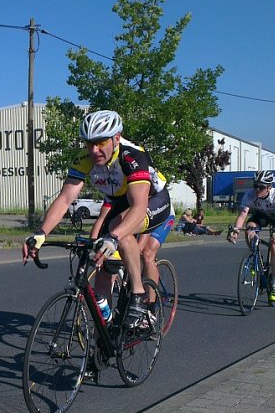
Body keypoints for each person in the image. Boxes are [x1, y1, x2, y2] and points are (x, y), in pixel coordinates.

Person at [23, 110, 172, 328]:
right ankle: (106, 334)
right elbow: (65, 199)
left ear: (116, 138)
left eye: (100, 143)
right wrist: (41, 233)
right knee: (103, 267)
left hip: (152, 200)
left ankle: (139, 297)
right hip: (121, 202)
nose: (94, 150)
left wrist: (114, 237)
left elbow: (139, 207)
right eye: (89, 143)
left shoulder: (132, 156)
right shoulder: (84, 158)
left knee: (118, 230)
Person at [227, 170, 275, 303]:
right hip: (260, 216)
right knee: (249, 229)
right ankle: (256, 257)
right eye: (255, 185)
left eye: (261, 187)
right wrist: (235, 231)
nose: (257, 189)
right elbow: (242, 215)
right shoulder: (249, 194)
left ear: (269, 187)